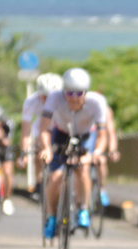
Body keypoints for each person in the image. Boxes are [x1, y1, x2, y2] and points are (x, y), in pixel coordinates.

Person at [38, 67, 108, 238]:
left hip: (85, 136)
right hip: (61, 134)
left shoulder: (96, 102)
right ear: (63, 92)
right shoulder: (54, 98)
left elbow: (102, 135)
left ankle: (82, 208)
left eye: (79, 94)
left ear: (86, 92)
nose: (74, 99)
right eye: (69, 94)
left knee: (82, 169)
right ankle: (52, 217)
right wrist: (46, 148)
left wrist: (96, 153)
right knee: (54, 178)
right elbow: (43, 128)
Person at [17, 72, 63, 199]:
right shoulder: (30, 101)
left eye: (51, 97)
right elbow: (26, 131)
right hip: (41, 128)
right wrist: (24, 152)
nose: (48, 101)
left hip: (58, 125)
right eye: (44, 97)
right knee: (39, 150)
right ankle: (39, 183)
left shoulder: (63, 100)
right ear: (38, 94)